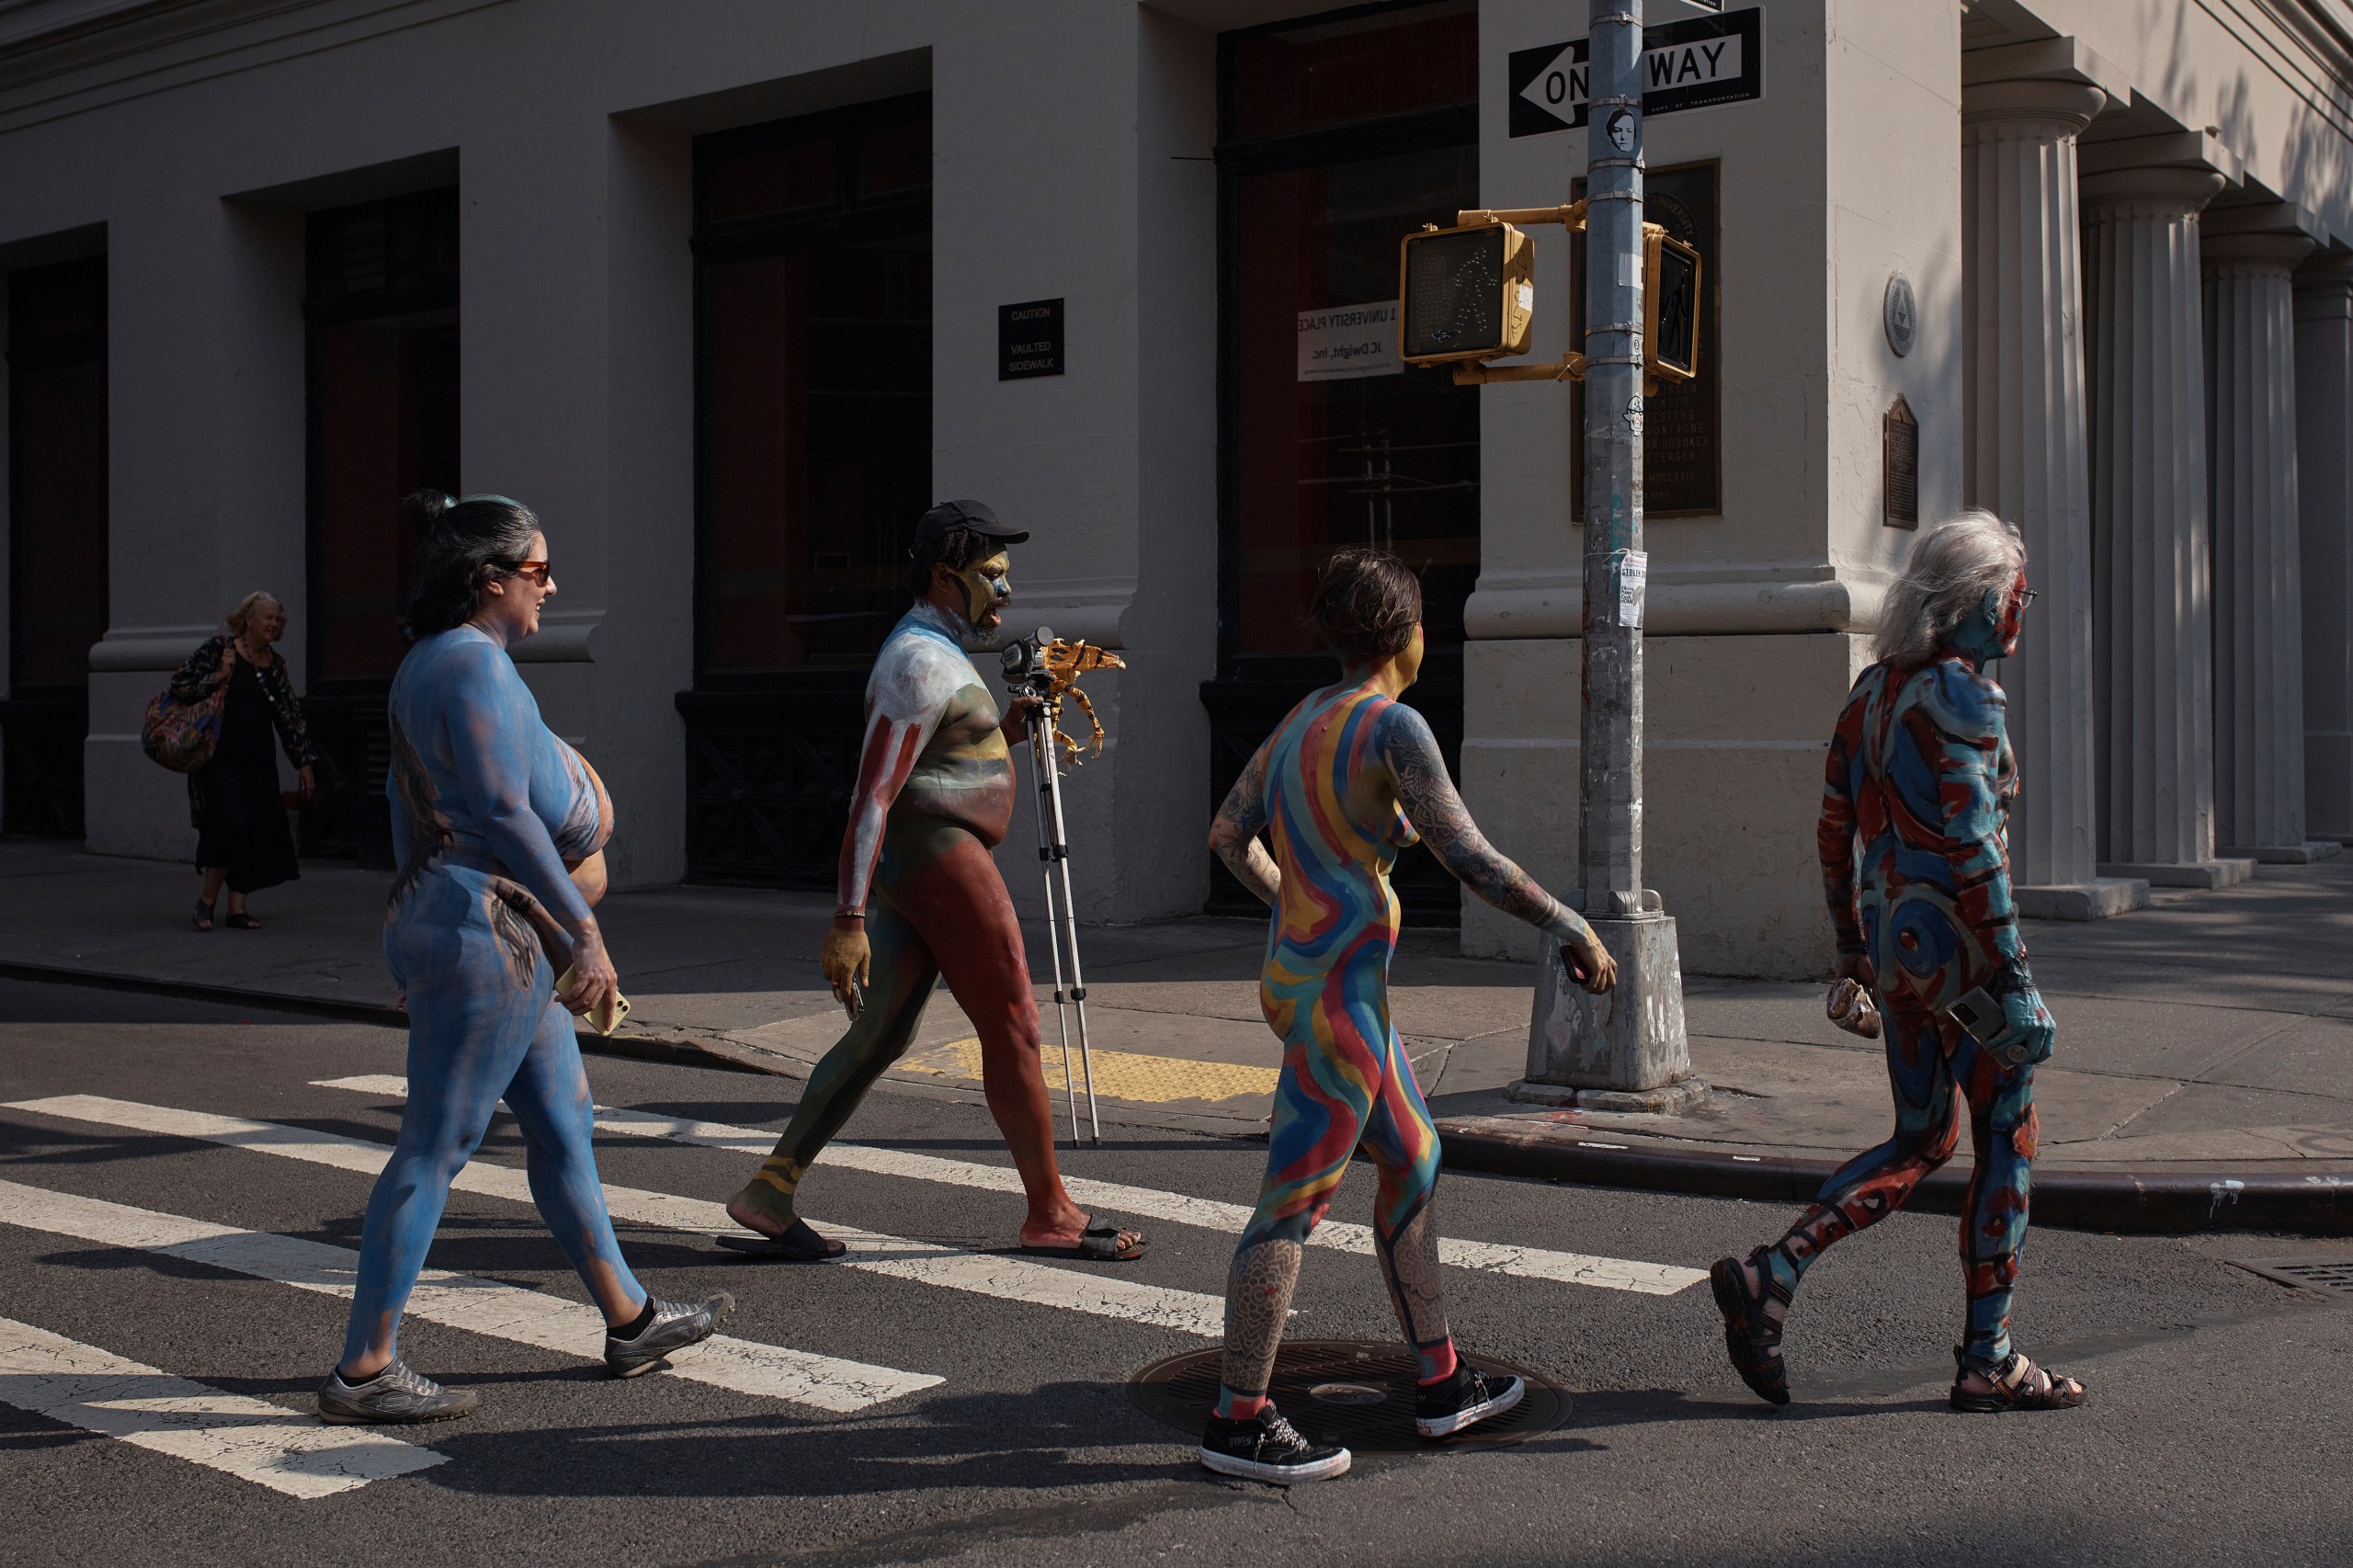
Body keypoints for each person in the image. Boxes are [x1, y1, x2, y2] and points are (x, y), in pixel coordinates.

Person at [1197, 548, 1619, 1484]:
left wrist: (1290, 900)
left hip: (1324, 982)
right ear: (1406, 634)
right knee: (1291, 1203)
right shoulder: (1393, 726)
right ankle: (1239, 1416)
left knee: (1414, 1154)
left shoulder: (1301, 718)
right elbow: (1466, 853)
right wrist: (1568, 923)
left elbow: (1229, 832)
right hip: (1336, 998)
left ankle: (1440, 1379)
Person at [319, 491, 729, 1424]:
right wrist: (584, 934)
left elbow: (409, 804)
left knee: (562, 1117)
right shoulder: (477, 666)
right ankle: (363, 1367)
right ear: (490, 579)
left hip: (465, 921)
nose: (552, 584)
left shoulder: (425, 664)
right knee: (435, 1144)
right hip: (493, 929)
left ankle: (631, 1318)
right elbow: (504, 810)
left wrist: (413, 923)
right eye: (539, 570)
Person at [1709, 510, 2083, 1415]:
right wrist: (2016, 980)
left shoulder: (1870, 692)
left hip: (1899, 951)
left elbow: (1832, 830)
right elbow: (1972, 847)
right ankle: (1986, 1355)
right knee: (2008, 1132)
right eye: (2015, 596)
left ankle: (1774, 1270)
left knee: (1922, 1135)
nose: (2019, 613)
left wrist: (1852, 947)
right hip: (1963, 960)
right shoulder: (1964, 695)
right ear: (1978, 601)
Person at [723, 499, 1145, 1263]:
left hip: (927, 860)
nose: (1006, 592)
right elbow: (873, 792)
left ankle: (770, 1189)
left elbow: (948, 757)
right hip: (938, 857)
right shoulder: (916, 660)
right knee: (1014, 1019)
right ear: (946, 578)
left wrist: (1007, 728)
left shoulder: (939, 653)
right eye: (991, 575)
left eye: (1007, 575)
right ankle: (1049, 1210)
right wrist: (847, 918)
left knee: (882, 1030)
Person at [169, 592, 316, 930]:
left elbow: (289, 716)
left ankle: (237, 908)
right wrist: (218, 676)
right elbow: (180, 685)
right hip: (220, 757)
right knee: (230, 822)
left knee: (254, 827)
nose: (274, 624)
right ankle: (207, 901)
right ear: (248, 618)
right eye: (268, 617)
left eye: (278, 619)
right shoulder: (219, 650)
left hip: (258, 760)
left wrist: (303, 762)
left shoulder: (274, 665)